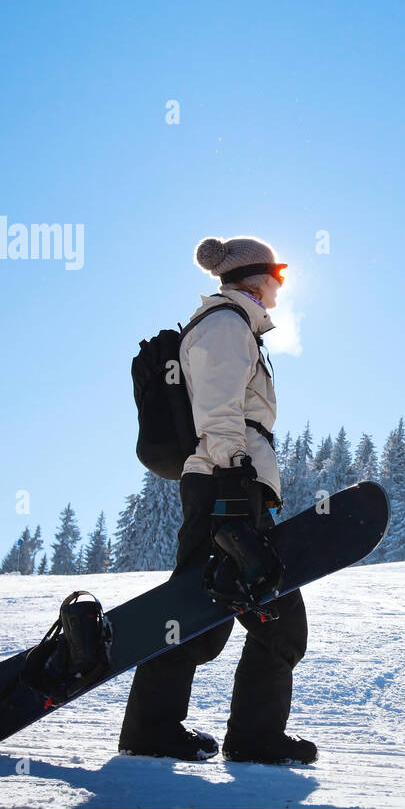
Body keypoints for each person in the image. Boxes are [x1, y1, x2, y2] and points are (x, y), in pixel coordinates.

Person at [118, 236, 316, 765]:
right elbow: (219, 413)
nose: (282, 282)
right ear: (256, 275)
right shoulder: (225, 326)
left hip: (233, 485)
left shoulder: (236, 326)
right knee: (200, 613)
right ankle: (163, 731)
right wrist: (232, 489)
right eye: (280, 270)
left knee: (218, 614)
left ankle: (238, 735)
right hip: (223, 486)